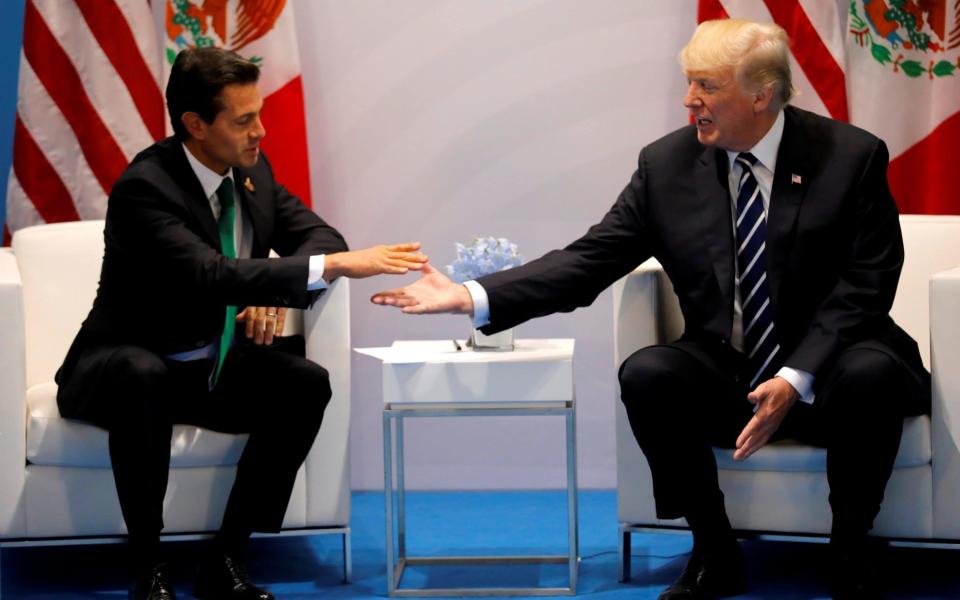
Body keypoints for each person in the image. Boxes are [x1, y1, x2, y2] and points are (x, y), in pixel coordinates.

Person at [372, 19, 930, 600]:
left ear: (761, 94)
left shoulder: (850, 156)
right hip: (732, 367)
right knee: (649, 372)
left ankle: (849, 550)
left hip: (830, 368)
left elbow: (868, 282)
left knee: (872, 371)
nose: (690, 100)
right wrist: (473, 295)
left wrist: (794, 376)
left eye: (706, 86)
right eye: (689, 83)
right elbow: (589, 259)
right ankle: (713, 550)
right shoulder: (667, 165)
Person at [56, 47, 428, 600]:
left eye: (259, 114)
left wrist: (273, 291)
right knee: (142, 373)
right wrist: (311, 273)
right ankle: (149, 568)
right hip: (118, 366)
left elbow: (323, 239)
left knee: (306, 384)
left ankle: (226, 558)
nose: (261, 131)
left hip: (202, 370)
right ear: (195, 125)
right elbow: (208, 273)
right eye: (244, 119)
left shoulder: (252, 174)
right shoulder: (146, 188)